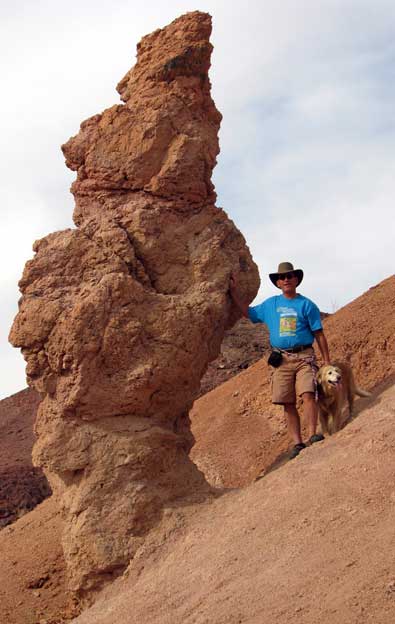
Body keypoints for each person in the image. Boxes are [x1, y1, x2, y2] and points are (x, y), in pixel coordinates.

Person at [229, 261, 330, 459]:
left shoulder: (307, 305)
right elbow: (247, 312)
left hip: (304, 356)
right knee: (287, 402)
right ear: (277, 283)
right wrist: (233, 293)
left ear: (296, 279)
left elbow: (319, 334)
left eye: (290, 276)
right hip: (282, 359)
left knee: (308, 394)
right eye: (282, 277)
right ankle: (297, 443)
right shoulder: (270, 305)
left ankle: (313, 435)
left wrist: (327, 360)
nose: (286, 279)